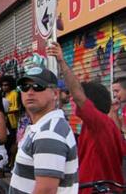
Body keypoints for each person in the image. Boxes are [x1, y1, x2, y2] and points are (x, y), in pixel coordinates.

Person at [48, 42, 124, 192]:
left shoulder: (98, 123)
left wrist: (62, 62)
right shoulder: (106, 125)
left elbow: (78, 96)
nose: (73, 101)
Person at [9, 65, 78, 193]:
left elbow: (46, 190)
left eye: (38, 87)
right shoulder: (43, 127)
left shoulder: (49, 133)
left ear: (55, 94)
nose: (30, 92)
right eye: (25, 87)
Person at [0, 75, 20, 166]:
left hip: (13, 123)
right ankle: (7, 161)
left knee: (12, 143)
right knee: (6, 143)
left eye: (6, 85)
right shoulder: (4, 94)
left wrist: (6, 112)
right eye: (3, 85)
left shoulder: (14, 93)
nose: (4, 87)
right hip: (5, 122)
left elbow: (16, 109)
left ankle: (11, 162)